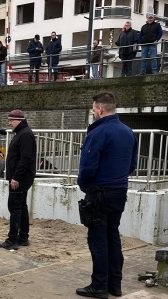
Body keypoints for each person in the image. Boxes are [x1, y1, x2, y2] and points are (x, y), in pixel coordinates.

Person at [76, 92, 137, 299]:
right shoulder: (128, 132)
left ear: (100, 109)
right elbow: (132, 165)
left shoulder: (98, 132)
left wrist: (85, 186)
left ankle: (99, 285)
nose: (93, 112)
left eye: (94, 109)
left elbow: (87, 167)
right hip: (119, 191)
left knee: (98, 238)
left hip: (100, 192)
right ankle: (114, 284)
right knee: (112, 235)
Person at [0, 109, 36, 250]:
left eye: (11, 120)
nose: (9, 123)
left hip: (20, 179)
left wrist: (16, 177)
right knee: (21, 206)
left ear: (19, 120)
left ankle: (12, 240)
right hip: (21, 178)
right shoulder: (23, 133)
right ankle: (23, 237)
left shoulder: (24, 135)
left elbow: (25, 159)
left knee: (14, 207)